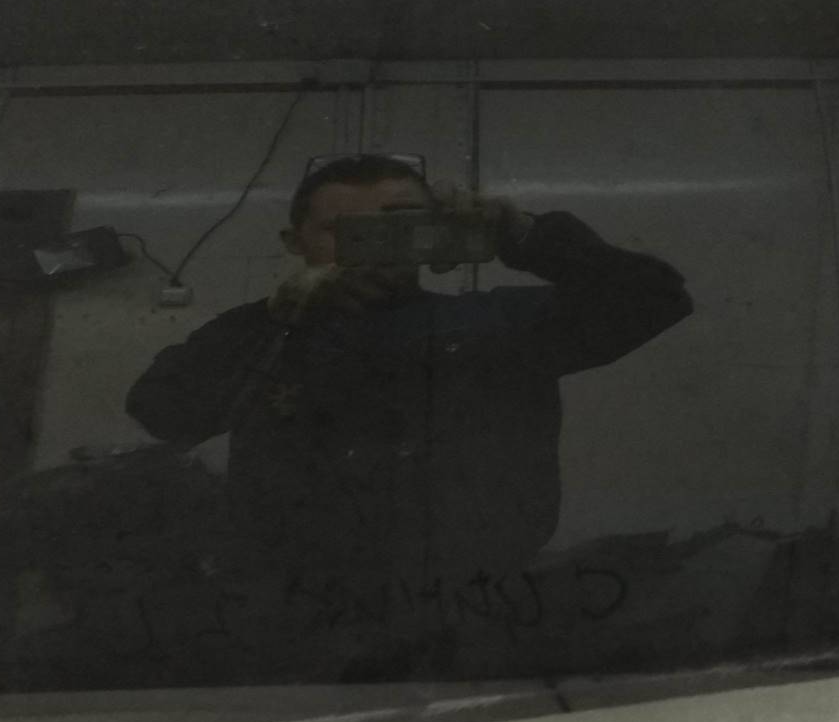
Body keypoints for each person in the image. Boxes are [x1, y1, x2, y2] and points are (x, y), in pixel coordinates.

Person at [125, 155, 692, 588]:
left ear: (433, 235)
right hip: (293, 611)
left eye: (395, 228)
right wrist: (276, 317)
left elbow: (656, 298)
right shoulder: (265, 334)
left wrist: (522, 232)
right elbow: (162, 413)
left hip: (471, 605)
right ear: (295, 243)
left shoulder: (495, 325)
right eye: (342, 231)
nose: (370, 249)